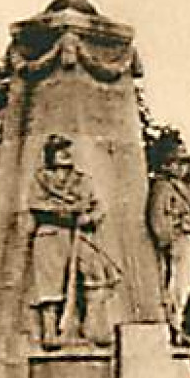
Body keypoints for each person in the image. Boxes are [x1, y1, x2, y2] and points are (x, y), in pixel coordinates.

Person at [28, 133, 119, 348]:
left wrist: (89, 217)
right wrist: (68, 209)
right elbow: (35, 204)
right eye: (60, 150)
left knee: (94, 273)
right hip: (51, 233)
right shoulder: (41, 179)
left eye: (67, 149)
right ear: (51, 155)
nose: (66, 154)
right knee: (50, 284)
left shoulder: (82, 180)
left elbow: (99, 206)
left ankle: (93, 326)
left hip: (80, 235)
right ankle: (50, 331)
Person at [147, 144, 190, 345]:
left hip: (186, 239)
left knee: (185, 284)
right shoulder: (163, 186)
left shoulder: (183, 188)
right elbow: (157, 217)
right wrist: (167, 240)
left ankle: (177, 324)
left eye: (184, 164)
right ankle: (173, 326)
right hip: (176, 240)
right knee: (175, 285)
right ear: (168, 164)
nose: (183, 168)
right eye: (179, 163)